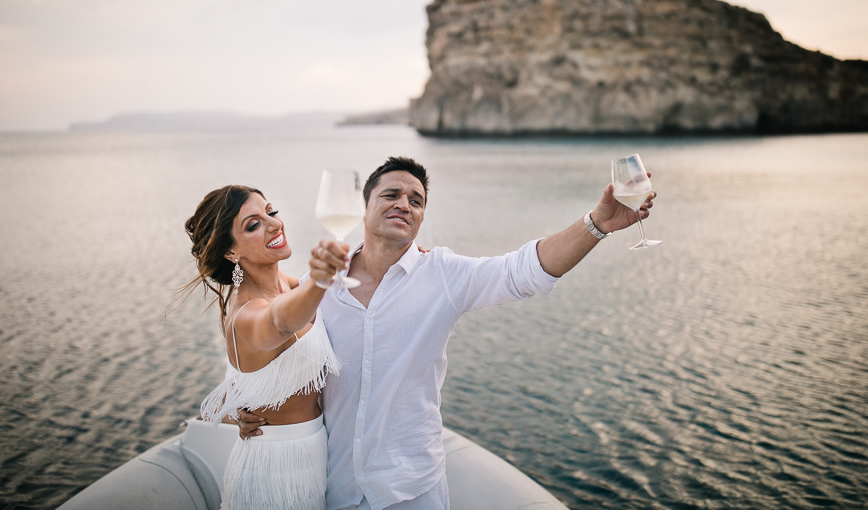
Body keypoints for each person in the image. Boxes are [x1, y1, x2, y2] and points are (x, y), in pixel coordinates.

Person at [240, 157, 658, 510]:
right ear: (363, 205)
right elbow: (275, 346)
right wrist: (255, 410)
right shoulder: (319, 283)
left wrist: (597, 223)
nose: (404, 204)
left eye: (416, 201)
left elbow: (524, 271)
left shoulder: (442, 274)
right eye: (391, 195)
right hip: (337, 489)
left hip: (412, 490)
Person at [182, 185, 346, 510]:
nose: (274, 224)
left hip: (315, 454)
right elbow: (280, 322)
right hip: (273, 469)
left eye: (270, 211)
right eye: (253, 224)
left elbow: (348, 274)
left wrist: (405, 251)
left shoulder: (284, 283)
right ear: (231, 253)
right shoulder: (246, 314)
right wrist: (322, 278)